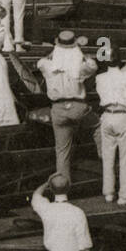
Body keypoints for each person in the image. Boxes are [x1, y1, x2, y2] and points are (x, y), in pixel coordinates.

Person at [36, 30, 98, 178]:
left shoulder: (47, 65)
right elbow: (92, 66)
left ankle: (62, 190)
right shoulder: (81, 66)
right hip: (78, 107)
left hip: (58, 109)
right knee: (99, 125)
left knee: (62, 151)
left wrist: (52, 54)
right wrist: (83, 55)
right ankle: (104, 157)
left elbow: (40, 62)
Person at [93, 46, 126, 205]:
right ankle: (124, 196)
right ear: (120, 60)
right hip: (122, 115)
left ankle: (108, 193)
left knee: (108, 157)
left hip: (106, 116)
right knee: (125, 158)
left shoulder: (100, 78)